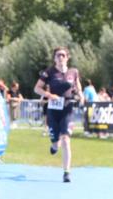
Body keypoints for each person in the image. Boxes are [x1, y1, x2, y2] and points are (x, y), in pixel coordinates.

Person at [34, 47, 83, 183]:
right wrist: (49, 95)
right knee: (56, 142)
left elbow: (78, 86)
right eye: (58, 55)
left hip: (67, 110)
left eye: (63, 55)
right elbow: (37, 88)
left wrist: (81, 95)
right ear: (54, 58)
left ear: (67, 57)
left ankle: (66, 172)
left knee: (66, 140)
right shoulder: (49, 72)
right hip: (53, 111)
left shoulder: (74, 72)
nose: (61, 57)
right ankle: (55, 145)